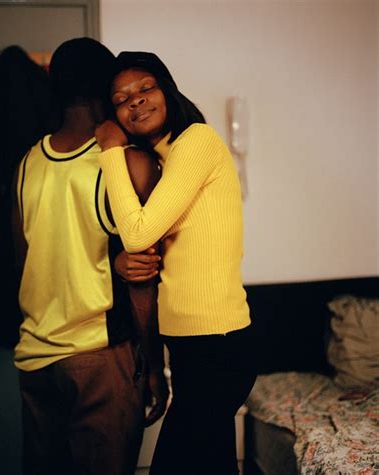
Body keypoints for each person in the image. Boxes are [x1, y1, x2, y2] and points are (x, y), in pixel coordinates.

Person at [95, 51, 257, 475]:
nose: (135, 100)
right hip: (189, 346)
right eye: (121, 99)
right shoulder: (162, 163)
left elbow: (137, 233)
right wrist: (120, 263)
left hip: (218, 345)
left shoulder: (196, 141)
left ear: (167, 90)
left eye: (145, 88)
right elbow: (146, 248)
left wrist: (110, 149)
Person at [11, 39, 168, 475]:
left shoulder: (27, 164)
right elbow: (142, 281)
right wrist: (155, 366)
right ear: (106, 89)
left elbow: (22, 265)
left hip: (35, 358)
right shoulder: (123, 162)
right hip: (100, 358)